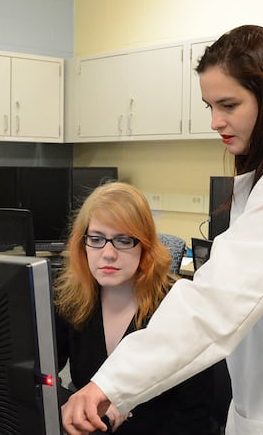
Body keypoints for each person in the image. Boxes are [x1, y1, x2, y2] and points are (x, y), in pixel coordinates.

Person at [61, 25, 263, 435]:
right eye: (209, 106)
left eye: (229, 104)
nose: (216, 121)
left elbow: (217, 300)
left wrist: (111, 384)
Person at [55, 181, 217, 434]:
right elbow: (37, 378)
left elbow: (196, 413)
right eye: (96, 239)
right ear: (82, 244)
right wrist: (79, 407)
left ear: (145, 245)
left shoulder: (178, 307)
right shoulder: (71, 299)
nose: (108, 253)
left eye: (123, 240)